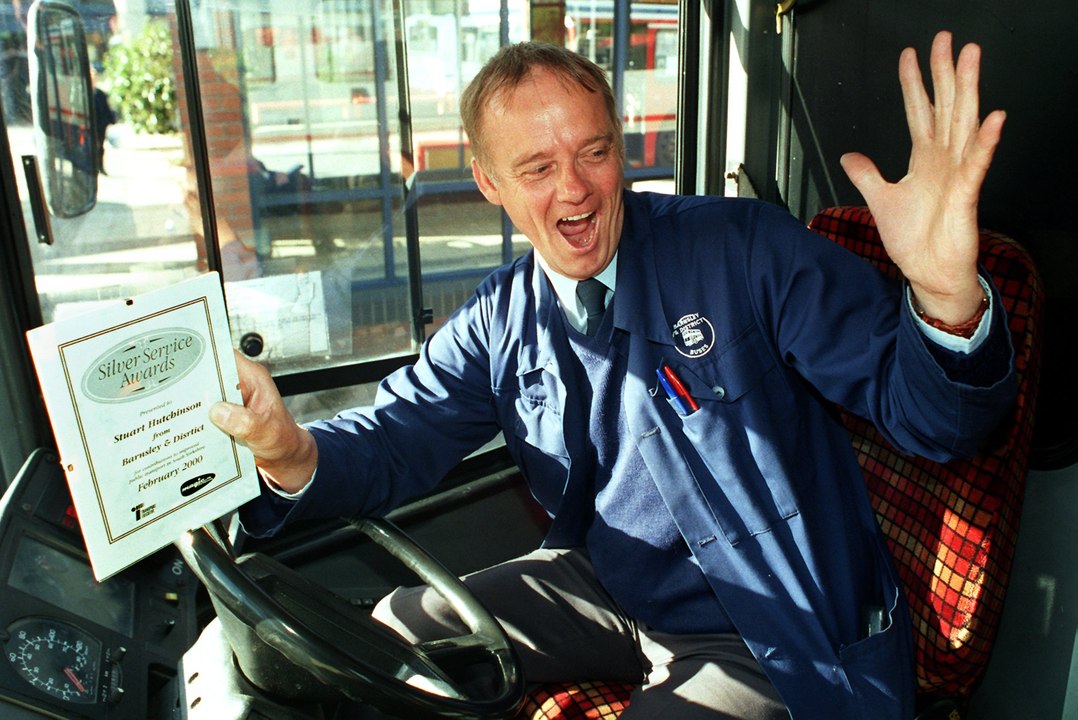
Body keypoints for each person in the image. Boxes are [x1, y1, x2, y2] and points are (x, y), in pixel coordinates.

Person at [210, 30, 1016, 719]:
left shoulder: (742, 249)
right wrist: (287, 451)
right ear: (489, 185)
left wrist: (945, 299)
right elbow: (393, 439)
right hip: (615, 587)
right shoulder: (501, 316)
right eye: (535, 168)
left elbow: (938, 420)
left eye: (594, 152)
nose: (575, 188)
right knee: (394, 628)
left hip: (769, 624)